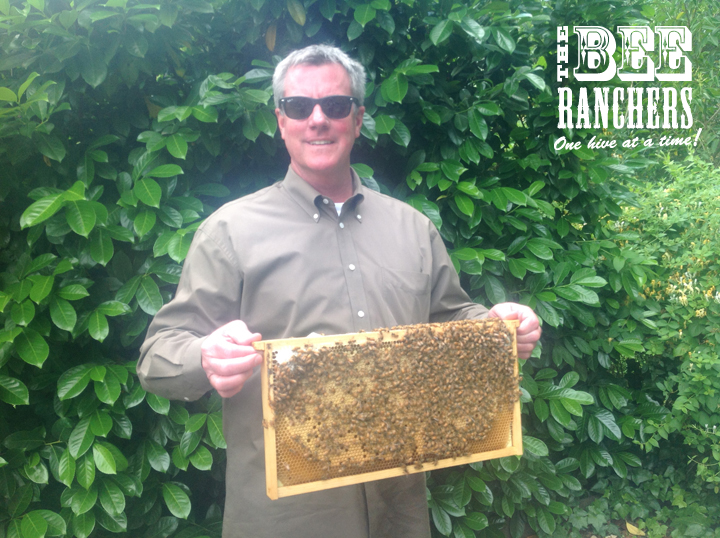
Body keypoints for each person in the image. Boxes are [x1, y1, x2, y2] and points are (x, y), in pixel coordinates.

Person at [138, 44, 541, 538]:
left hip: (399, 514)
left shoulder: (413, 229)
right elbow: (156, 357)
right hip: (287, 522)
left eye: (334, 105)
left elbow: (452, 317)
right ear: (281, 120)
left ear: (357, 118)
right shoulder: (229, 232)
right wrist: (204, 355)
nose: (317, 119)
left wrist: (498, 328)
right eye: (298, 106)